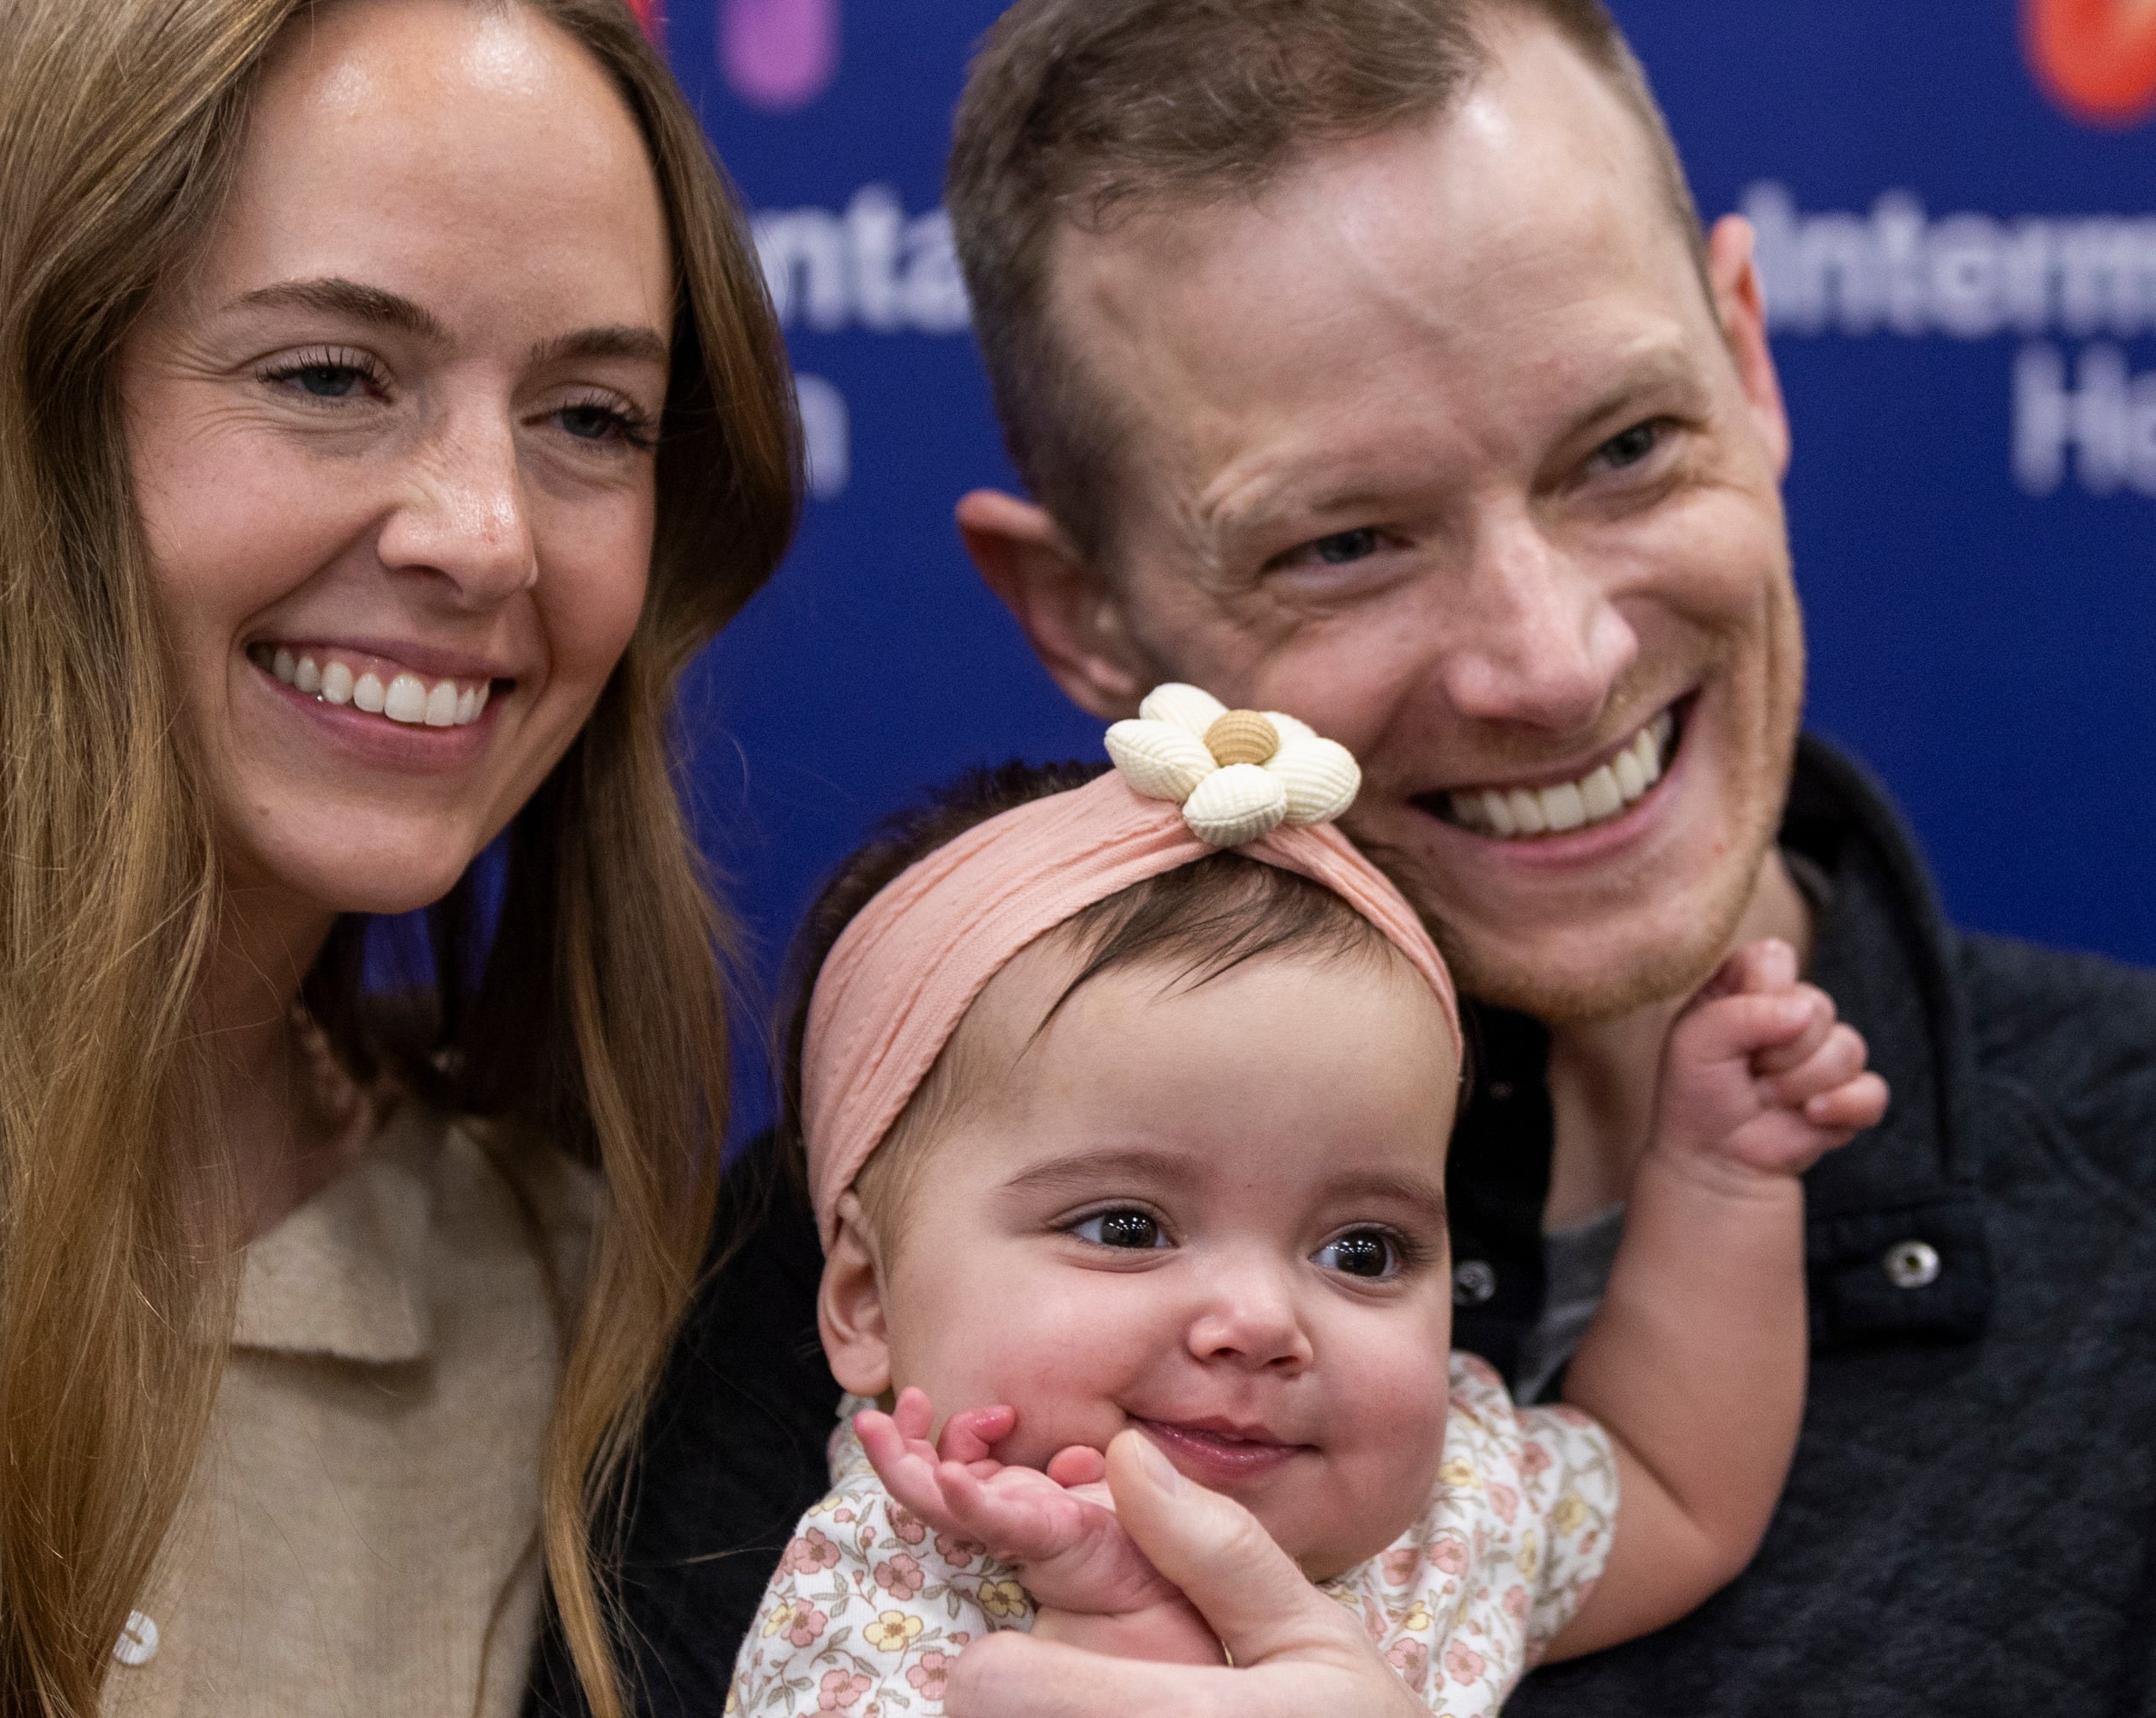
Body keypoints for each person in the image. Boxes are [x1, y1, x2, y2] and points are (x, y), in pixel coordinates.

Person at [537, 2, 2156, 1715]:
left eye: (1624, 447)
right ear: (1079, 616)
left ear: (1748, 361)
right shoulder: (806, 1300)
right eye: (1347, 543)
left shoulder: (2118, 1191)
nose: (1553, 662)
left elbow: (1665, 1482)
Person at [0, 1, 795, 1715]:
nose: (486, 534)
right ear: (8, 405)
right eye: (329, 376)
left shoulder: (559, 1316)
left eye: (593, 418)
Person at [722, 699, 1883, 1716]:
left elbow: (1678, 1489)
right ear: (868, 1300)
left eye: (1363, 1250)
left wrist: (1722, 1178)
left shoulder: (1442, 1520)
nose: (1260, 1320)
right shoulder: (883, 1597)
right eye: (1127, 1228)